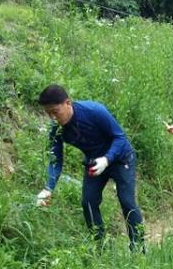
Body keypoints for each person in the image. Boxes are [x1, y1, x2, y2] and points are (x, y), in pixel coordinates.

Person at [35, 84, 144, 251]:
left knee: (127, 200)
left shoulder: (93, 111)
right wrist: (48, 187)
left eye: (55, 111)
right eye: (48, 113)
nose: (53, 118)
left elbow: (120, 137)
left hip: (121, 158)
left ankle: (138, 247)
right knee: (88, 202)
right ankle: (100, 247)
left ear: (68, 103)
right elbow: (55, 160)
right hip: (94, 163)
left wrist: (107, 159)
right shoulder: (56, 129)